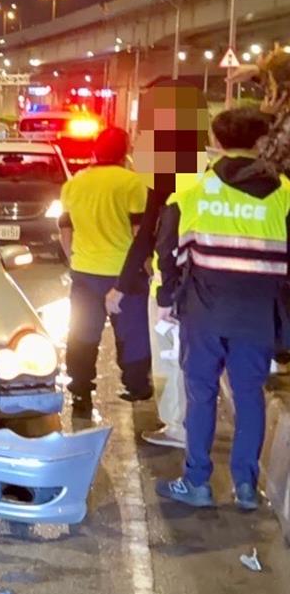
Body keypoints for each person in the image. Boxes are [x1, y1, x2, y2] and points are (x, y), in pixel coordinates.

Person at [155, 107, 290, 510]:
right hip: (259, 315)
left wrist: (168, 298)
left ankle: (197, 482)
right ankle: (246, 488)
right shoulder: (284, 195)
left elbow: (169, 253)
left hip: (204, 312)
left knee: (202, 393)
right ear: (259, 142)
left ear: (215, 142)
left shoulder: (191, 192)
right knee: (250, 395)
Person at [105, 78, 212, 448]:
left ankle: (180, 428)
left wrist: (126, 284)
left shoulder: (167, 168)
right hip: (207, 282)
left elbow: (152, 232)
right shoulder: (205, 163)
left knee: (172, 360)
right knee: (195, 361)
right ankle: (191, 423)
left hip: (173, 286)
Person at [59, 126, 151, 412]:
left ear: (95, 150)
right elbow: (139, 232)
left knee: (83, 332)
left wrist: (74, 260)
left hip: (85, 272)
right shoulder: (133, 183)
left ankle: (80, 389)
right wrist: (147, 267)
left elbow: (65, 229)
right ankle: (136, 386)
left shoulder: (74, 183)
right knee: (132, 331)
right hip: (124, 274)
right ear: (125, 152)